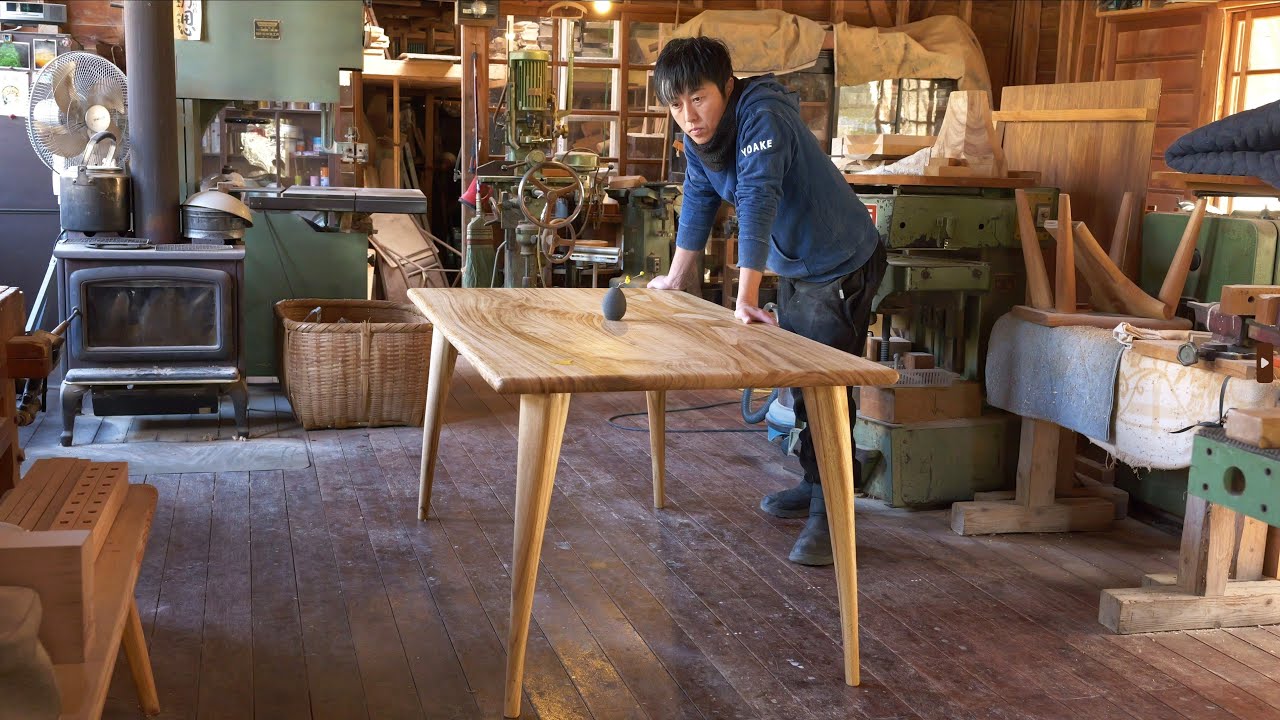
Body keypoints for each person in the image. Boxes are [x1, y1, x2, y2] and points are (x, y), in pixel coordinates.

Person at [646, 36, 886, 566]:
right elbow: (699, 196)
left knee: (827, 387)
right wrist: (676, 278)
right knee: (801, 383)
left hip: (840, 261)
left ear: (727, 86)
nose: (688, 116)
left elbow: (758, 198)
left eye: (699, 99)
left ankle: (832, 514)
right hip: (796, 264)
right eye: (676, 104)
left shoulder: (763, 116)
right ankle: (814, 482)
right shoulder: (699, 133)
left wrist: (746, 296)